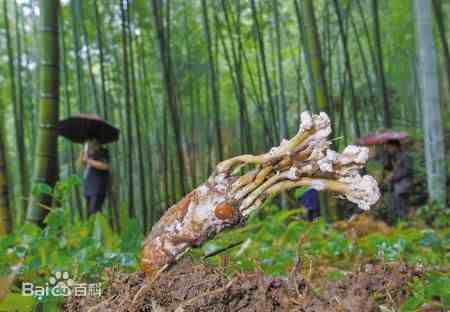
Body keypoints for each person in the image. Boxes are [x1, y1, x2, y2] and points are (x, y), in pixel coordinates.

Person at [78, 139, 111, 216]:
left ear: (96, 141)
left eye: (90, 140)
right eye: (87, 141)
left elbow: (105, 166)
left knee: (95, 212)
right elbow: (79, 165)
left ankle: (99, 228)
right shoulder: (89, 153)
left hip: (97, 188)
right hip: (88, 187)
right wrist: (82, 152)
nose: (89, 143)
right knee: (89, 215)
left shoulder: (103, 151)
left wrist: (88, 160)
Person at [383, 139, 413, 220]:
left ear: (395, 146)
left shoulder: (405, 156)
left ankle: (407, 225)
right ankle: (403, 225)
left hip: (404, 186)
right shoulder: (393, 157)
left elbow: (407, 171)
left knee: (402, 208)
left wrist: (393, 177)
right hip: (396, 187)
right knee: (397, 208)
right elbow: (388, 167)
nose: (389, 150)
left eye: (390, 147)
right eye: (387, 148)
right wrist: (387, 155)